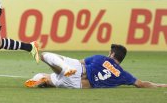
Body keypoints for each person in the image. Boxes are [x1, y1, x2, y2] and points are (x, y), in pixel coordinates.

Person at [25, 44, 167, 89]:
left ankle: (47, 75)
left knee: (45, 56)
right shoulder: (123, 75)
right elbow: (141, 84)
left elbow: (80, 62)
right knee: (52, 78)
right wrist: (162, 85)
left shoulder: (101, 58)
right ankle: (43, 80)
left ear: (111, 54)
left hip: (77, 70)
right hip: (76, 85)